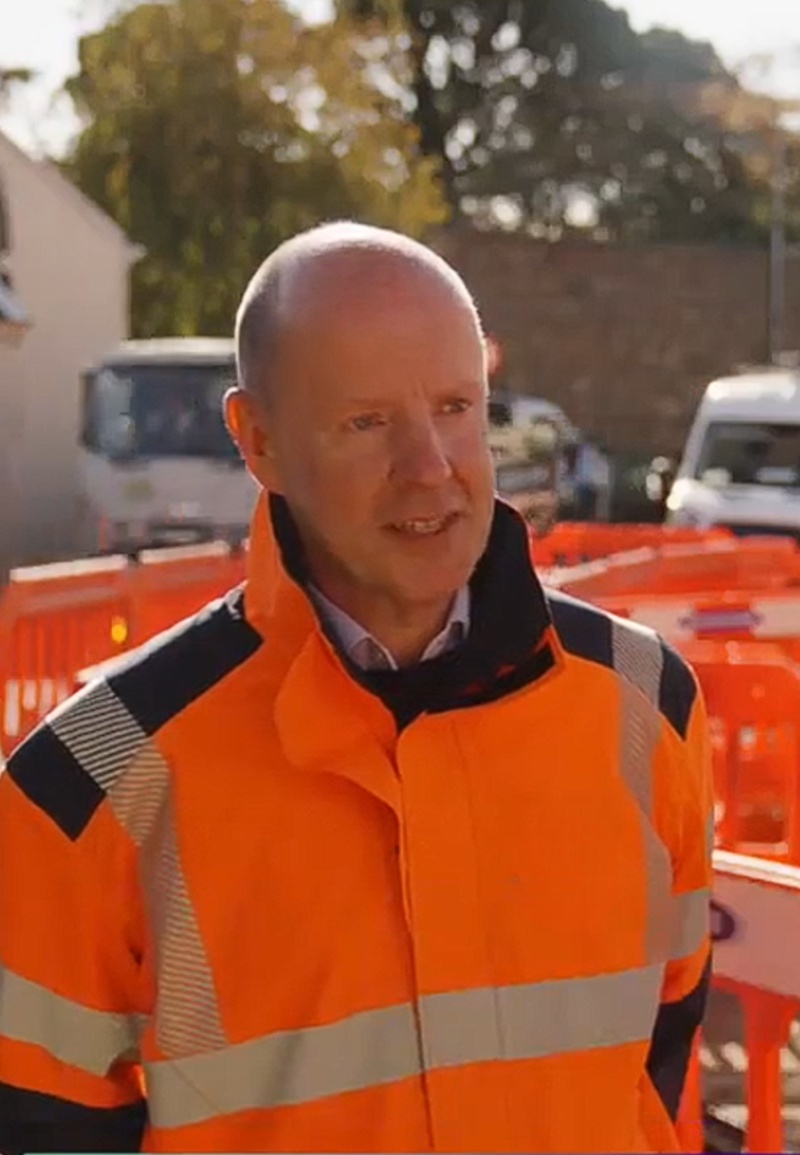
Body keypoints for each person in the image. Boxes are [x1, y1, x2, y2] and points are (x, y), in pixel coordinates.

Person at [0, 222, 713, 1154]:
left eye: (458, 407)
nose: (430, 466)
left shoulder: (644, 699)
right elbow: (43, 1124)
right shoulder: (86, 780)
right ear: (257, 441)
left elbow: (655, 1057)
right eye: (366, 421)